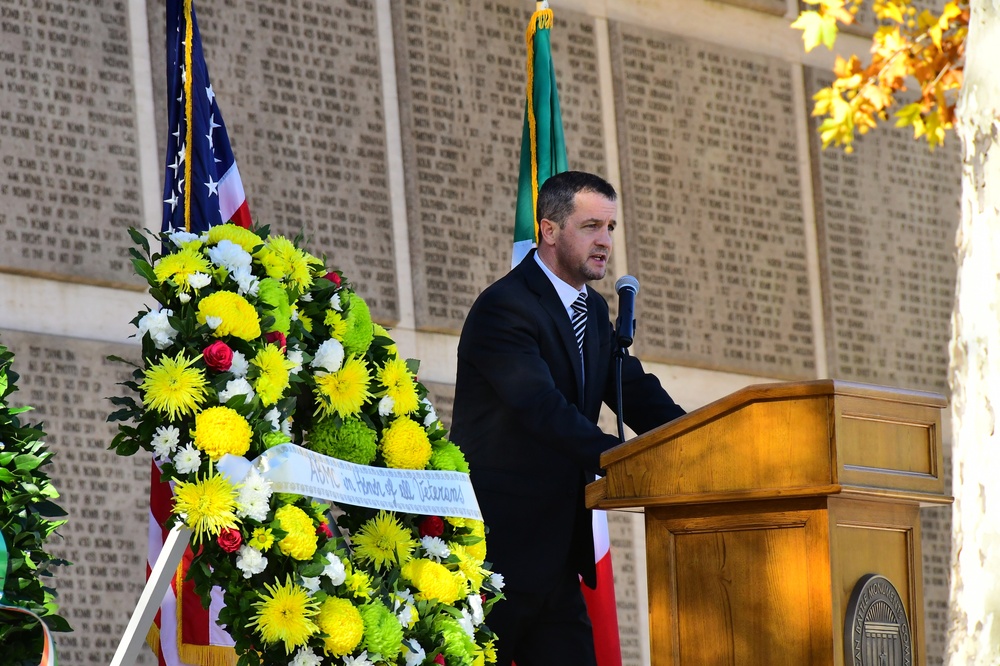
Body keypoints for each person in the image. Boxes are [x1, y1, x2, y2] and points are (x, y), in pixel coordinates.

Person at [450, 171, 686, 666]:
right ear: (550, 230)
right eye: (592, 226)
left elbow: (636, 392)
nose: (605, 242)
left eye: (611, 228)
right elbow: (542, 409)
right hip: (496, 552)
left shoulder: (593, 312)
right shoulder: (505, 308)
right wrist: (623, 460)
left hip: (558, 558)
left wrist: (700, 441)